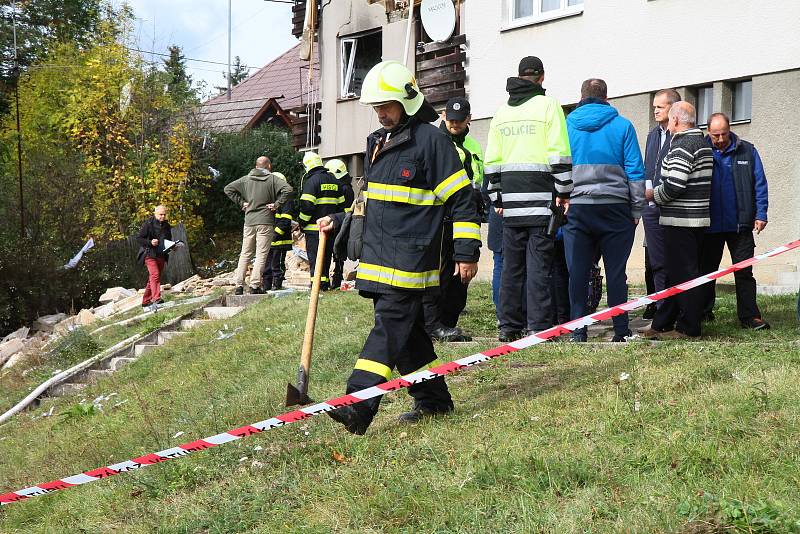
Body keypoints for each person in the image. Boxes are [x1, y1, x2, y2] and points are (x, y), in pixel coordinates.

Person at [319, 60, 480, 435]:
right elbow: (375, 203)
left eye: (387, 105)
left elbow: (461, 200)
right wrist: (340, 221)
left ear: (408, 101)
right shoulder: (376, 143)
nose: (381, 114)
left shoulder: (432, 141)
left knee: (389, 329)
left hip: (410, 261)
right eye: (376, 107)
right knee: (407, 338)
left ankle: (358, 405)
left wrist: (466, 252)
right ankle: (434, 401)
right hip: (378, 260)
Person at [485, 56, 573, 342]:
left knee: (511, 266)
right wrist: (563, 192)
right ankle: (539, 327)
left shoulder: (501, 112)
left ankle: (509, 326)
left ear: (519, 76)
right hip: (541, 199)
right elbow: (558, 153)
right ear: (542, 77)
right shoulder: (549, 106)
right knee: (539, 266)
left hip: (510, 202)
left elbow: (492, 160)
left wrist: (496, 196)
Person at [563, 78, 645, 342]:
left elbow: (558, 166)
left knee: (578, 271)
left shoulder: (566, 126)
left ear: (582, 96)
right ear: (606, 97)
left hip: (577, 208)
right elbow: (635, 171)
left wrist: (562, 198)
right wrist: (636, 210)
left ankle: (579, 330)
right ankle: (620, 330)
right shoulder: (623, 126)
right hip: (616, 208)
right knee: (616, 272)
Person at [642, 102, 713, 339]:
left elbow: (675, 184)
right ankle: (662, 322)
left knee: (685, 276)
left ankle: (688, 328)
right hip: (694, 219)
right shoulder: (701, 142)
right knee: (676, 274)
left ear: (675, 121)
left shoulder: (683, 145)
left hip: (682, 220)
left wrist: (653, 195)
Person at [421, 96, 485, 342]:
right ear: (444, 116)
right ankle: (433, 324)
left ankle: (448, 323)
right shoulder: (436, 142)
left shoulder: (472, 145)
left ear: (469, 119)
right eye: (451, 119)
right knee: (438, 274)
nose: (454, 124)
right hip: (439, 218)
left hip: (466, 215)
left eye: (460, 120)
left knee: (462, 273)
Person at [699, 113, 770, 330]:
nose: (720, 139)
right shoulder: (701, 151)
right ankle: (703, 312)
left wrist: (761, 214)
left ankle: (750, 316)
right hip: (709, 225)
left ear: (730, 130)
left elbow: (760, 183)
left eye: (723, 134)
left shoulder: (747, 150)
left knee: (744, 272)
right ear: (708, 132)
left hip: (740, 224)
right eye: (715, 135)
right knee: (706, 271)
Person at [224, 156, 293, 295]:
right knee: (261, 254)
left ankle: (239, 286)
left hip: (249, 222)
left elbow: (228, 188)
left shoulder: (246, 179)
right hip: (265, 222)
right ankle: (254, 286)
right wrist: (277, 204)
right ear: (269, 166)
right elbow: (288, 189)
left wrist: (241, 202)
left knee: (245, 253)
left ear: (256, 166)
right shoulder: (272, 179)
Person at [642, 89, 681, 319]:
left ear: (673, 109)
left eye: (660, 107)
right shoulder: (652, 135)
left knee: (675, 259)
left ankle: (676, 308)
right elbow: (649, 167)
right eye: (654, 106)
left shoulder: (681, 136)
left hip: (674, 205)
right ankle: (660, 307)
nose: (655, 110)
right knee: (655, 261)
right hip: (651, 206)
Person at [298, 152, 346, 291]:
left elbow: (307, 206)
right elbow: (341, 207)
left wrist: (302, 222)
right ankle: (324, 284)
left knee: (315, 259)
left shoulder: (311, 182)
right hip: (331, 229)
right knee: (326, 259)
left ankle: (316, 287)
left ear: (307, 165)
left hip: (314, 230)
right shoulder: (334, 181)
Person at [324, 159, 355, 289]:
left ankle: (337, 279)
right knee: (337, 253)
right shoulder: (346, 186)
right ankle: (336, 278)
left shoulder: (345, 189)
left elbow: (346, 210)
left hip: (340, 225)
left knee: (338, 253)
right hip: (338, 223)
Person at [262, 172, 294, 291]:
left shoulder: (286, 199)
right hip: (268, 238)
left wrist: (275, 234)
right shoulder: (269, 197)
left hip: (280, 240)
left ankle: (277, 285)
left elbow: (285, 220)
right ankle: (266, 286)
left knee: (277, 265)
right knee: (266, 265)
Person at [136, 205, 173, 309]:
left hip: (161, 254)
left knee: (153, 278)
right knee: (155, 275)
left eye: (164, 214)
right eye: (160, 214)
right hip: (149, 253)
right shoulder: (148, 224)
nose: (162, 216)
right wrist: (150, 242)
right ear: (155, 214)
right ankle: (156, 298)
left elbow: (168, 240)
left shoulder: (167, 226)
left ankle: (145, 301)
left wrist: (172, 246)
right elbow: (139, 239)